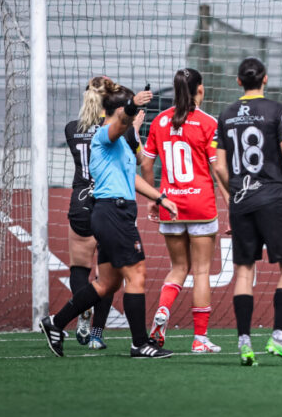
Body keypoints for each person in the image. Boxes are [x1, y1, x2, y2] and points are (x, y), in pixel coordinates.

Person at [40, 78, 178, 358]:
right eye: (125, 112)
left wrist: (160, 197)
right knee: (136, 274)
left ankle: (55, 322)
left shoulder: (123, 143)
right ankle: (139, 343)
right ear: (117, 112)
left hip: (117, 213)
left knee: (107, 283)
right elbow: (120, 123)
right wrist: (133, 105)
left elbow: (133, 178)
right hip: (112, 212)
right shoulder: (104, 135)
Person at [213, 57, 282, 365]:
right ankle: (279, 336)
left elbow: (218, 166)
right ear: (265, 79)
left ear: (239, 81)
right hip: (271, 198)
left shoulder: (226, 115)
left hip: (240, 202)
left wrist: (235, 197)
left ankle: (244, 343)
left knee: (244, 271)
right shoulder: (277, 111)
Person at [140, 68, 229, 353]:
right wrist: (232, 205)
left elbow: (145, 164)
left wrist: (155, 198)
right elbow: (218, 169)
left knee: (178, 268)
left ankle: (163, 311)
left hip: (171, 204)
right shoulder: (208, 123)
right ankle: (200, 339)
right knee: (201, 272)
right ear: (200, 90)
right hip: (201, 205)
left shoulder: (159, 121)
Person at [63, 76, 145, 350]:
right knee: (108, 272)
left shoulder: (71, 128)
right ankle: (97, 334)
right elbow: (139, 158)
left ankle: (78, 314)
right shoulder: (114, 129)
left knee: (79, 266)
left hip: (80, 198)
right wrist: (134, 127)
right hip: (107, 197)